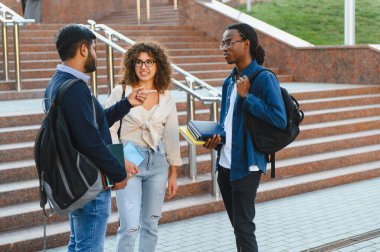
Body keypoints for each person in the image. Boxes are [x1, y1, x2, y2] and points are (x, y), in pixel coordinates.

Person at [44, 24, 148, 252]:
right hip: (89, 184)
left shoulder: (58, 83)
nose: (95, 54)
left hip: (77, 179)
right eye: (94, 49)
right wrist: (118, 172)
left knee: (79, 245)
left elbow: (94, 123)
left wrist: (126, 104)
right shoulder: (75, 90)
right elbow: (89, 141)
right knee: (88, 248)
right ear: (83, 49)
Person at [204, 23, 287, 252]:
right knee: (238, 227)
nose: (224, 47)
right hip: (225, 164)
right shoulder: (228, 81)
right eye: (222, 43)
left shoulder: (263, 78)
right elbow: (227, 122)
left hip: (247, 164)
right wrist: (216, 138)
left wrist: (248, 96)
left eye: (229, 42)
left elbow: (279, 119)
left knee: (243, 227)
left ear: (246, 43)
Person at [105, 42, 182, 252]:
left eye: (149, 62)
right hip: (129, 162)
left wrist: (173, 173)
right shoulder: (121, 91)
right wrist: (121, 160)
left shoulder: (166, 96)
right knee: (129, 226)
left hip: (157, 163)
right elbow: (108, 128)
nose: (144, 67)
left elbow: (171, 136)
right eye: (139, 62)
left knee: (151, 225)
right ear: (132, 64)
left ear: (158, 65)